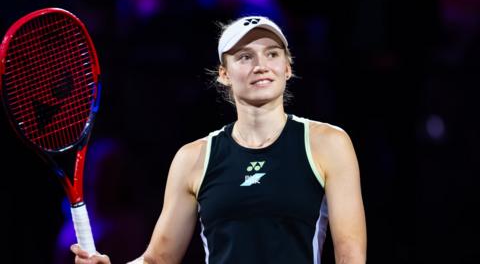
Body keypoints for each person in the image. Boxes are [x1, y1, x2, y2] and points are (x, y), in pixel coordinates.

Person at [71, 15, 367, 264]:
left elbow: (351, 254)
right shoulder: (193, 158)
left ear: (287, 68)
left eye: (272, 54)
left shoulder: (328, 143)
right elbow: (158, 259)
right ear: (224, 75)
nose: (260, 64)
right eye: (245, 57)